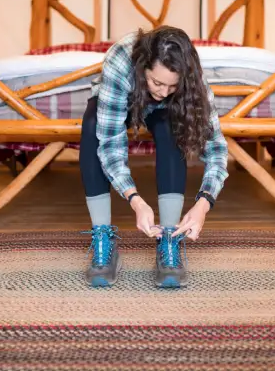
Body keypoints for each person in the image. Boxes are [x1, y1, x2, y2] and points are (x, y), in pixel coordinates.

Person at [79, 25, 229, 288]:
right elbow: (110, 145)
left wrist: (204, 204)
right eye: (156, 82)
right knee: (92, 126)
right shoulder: (121, 60)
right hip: (122, 99)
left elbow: (216, 149)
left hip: (166, 113)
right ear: (143, 68)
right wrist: (135, 200)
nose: (162, 92)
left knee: (173, 128)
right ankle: (103, 236)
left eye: (173, 85)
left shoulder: (193, 82)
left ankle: (169, 236)